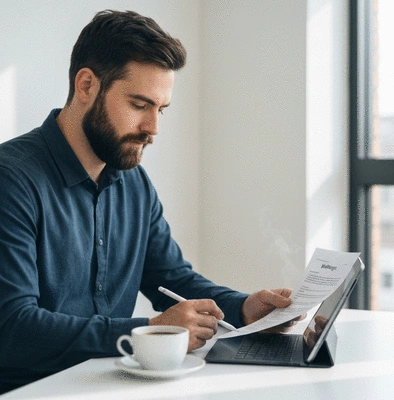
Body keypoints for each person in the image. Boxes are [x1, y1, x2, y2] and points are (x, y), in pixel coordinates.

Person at [0, 10, 303, 394]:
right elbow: (12, 327)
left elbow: (173, 280)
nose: (153, 129)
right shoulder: (11, 179)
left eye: (160, 110)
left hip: (107, 385)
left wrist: (244, 308)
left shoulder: (133, 182)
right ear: (87, 85)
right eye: (140, 105)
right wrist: (151, 330)